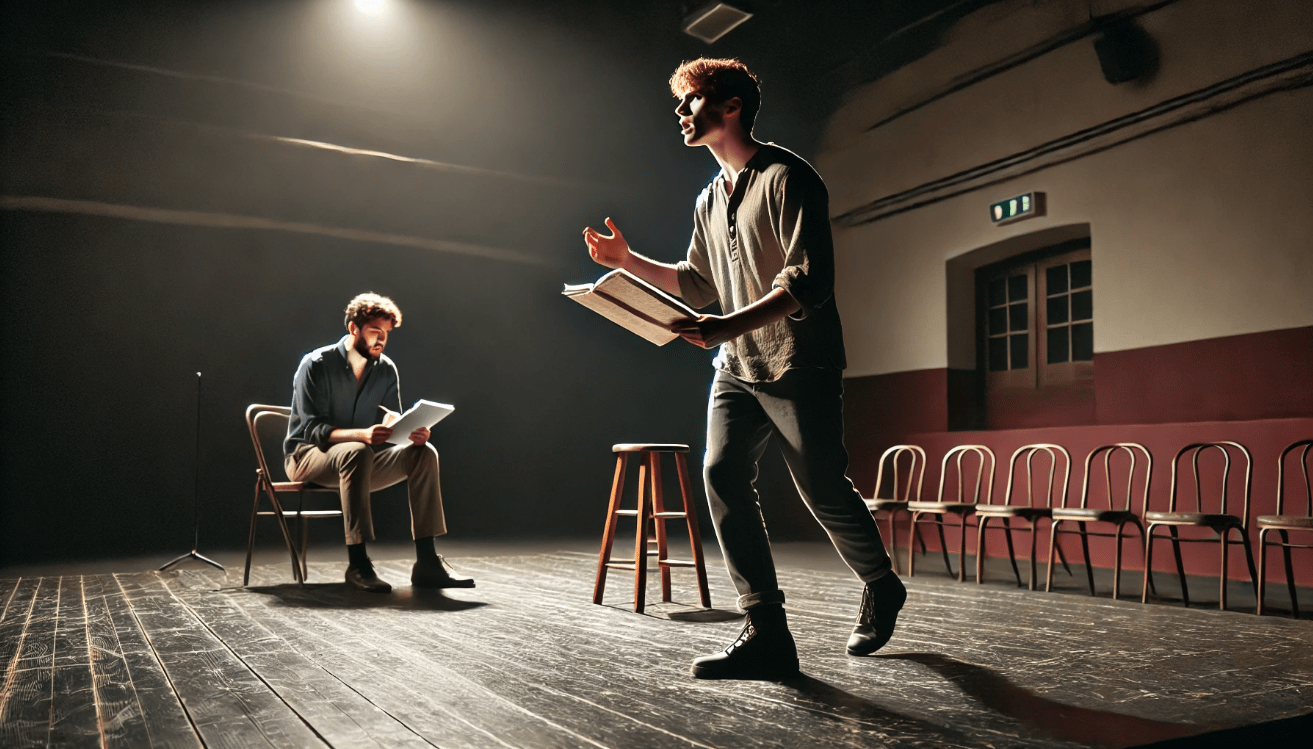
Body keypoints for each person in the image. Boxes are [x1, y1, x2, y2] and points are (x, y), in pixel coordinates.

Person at [582, 58, 905, 680]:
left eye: (692, 102)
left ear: (729, 107)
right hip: (737, 367)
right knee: (722, 474)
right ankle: (766, 630)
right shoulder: (709, 196)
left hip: (797, 361)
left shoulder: (789, 177)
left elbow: (808, 282)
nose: (681, 114)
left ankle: (881, 583)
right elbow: (698, 284)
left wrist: (726, 326)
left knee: (824, 490)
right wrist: (627, 261)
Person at [283, 292, 473, 593]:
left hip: (358, 460)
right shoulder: (316, 364)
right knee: (357, 450)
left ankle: (427, 562)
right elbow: (311, 430)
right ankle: (358, 563)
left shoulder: (385, 369)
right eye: (374, 332)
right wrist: (363, 435)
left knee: (423, 453)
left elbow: (390, 419)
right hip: (307, 458)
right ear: (353, 329)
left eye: (385, 334)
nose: (381, 340)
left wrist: (409, 432)